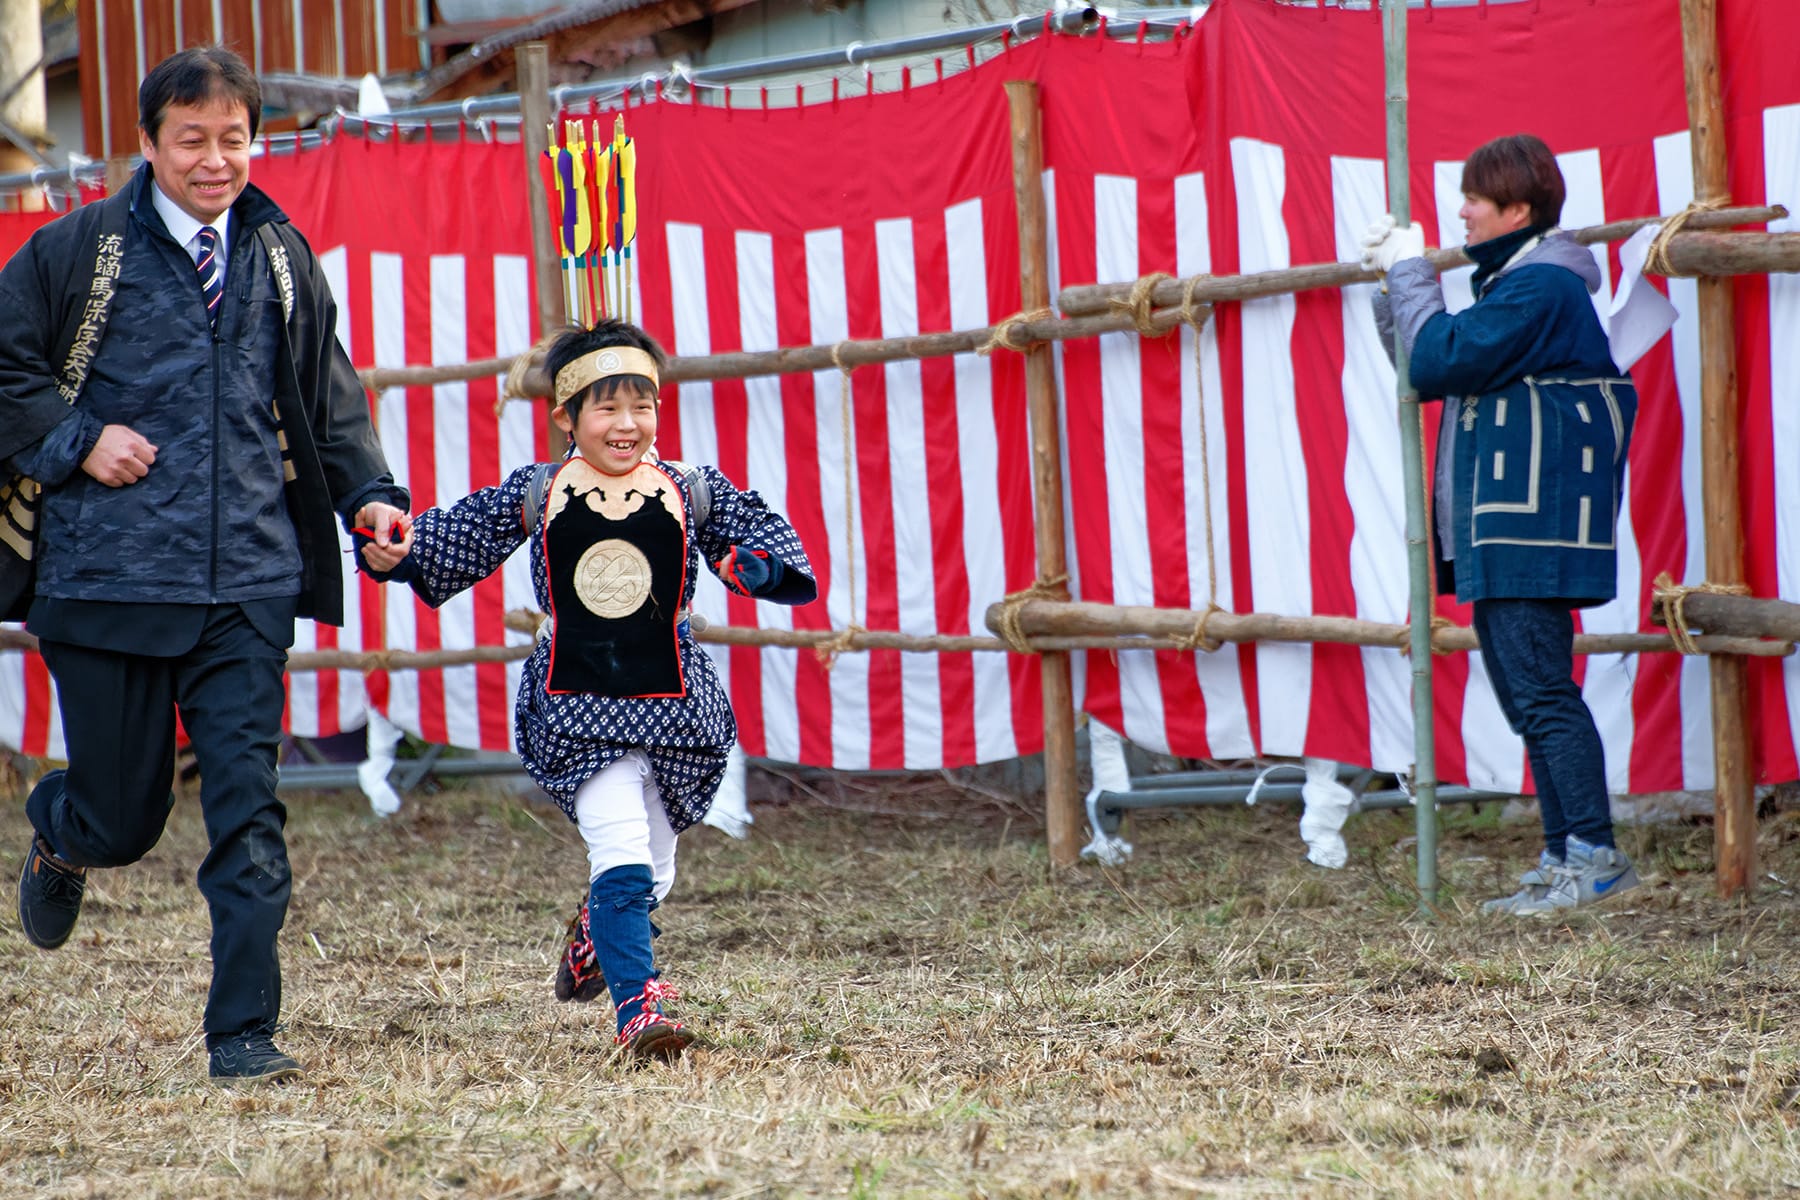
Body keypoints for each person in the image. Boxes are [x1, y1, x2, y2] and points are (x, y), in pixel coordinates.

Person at [1, 47, 410, 1082]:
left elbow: (327, 397)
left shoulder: (277, 251)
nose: (217, 160)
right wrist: (78, 438)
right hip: (103, 581)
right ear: (145, 144)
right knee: (125, 816)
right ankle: (63, 829)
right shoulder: (75, 252)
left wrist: (372, 496)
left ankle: (244, 1035)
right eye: (193, 140)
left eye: (235, 138)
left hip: (248, 581)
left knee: (249, 811)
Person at [362, 318, 815, 1057]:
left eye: (642, 405)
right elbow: (452, 540)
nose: (628, 423)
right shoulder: (539, 491)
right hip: (578, 710)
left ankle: (593, 938)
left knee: (655, 866)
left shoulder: (691, 489)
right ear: (566, 416)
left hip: (677, 707)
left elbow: (766, 545)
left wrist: (754, 566)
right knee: (623, 852)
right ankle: (641, 1011)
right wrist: (398, 552)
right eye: (607, 407)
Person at [1361, 133, 1640, 916]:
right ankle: (1564, 855)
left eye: (1474, 200)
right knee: (1529, 697)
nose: (1462, 212)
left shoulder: (1542, 287)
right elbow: (1425, 356)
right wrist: (1394, 287)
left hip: (1528, 527)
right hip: (1510, 526)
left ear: (1518, 209)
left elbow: (1441, 358)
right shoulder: (1517, 287)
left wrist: (1412, 271)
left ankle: (1593, 856)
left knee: (1543, 694)